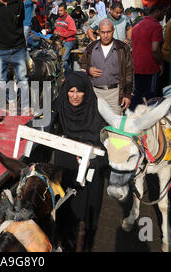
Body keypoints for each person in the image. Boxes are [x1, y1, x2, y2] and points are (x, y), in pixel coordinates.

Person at [48, 71, 108, 251]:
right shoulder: (61, 106)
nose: (75, 96)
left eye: (79, 91)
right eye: (71, 91)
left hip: (89, 171)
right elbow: (47, 126)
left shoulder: (97, 113)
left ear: (86, 92)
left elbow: (107, 150)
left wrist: (92, 161)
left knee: (83, 215)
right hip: (65, 166)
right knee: (63, 210)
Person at [79, 19, 133, 115]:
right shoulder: (91, 47)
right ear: (98, 32)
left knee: (115, 125)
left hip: (115, 94)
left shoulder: (122, 48)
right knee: (95, 123)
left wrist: (128, 94)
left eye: (108, 32)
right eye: (103, 32)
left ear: (113, 31)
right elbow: (82, 64)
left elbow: (129, 71)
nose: (105, 35)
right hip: (95, 93)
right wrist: (88, 70)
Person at [129, 4, 168, 111]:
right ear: (157, 11)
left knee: (138, 93)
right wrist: (161, 63)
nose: (164, 15)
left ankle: (130, 114)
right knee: (150, 96)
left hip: (137, 66)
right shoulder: (156, 26)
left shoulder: (137, 26)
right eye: (163, 12)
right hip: (150, 67)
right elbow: (155, 49)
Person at [54, 3, 78, 76]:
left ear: (65, 10)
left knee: (64, 60)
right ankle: (60, 74)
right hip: (60, 41)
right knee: (55, 58)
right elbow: (57, 29)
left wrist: (61, 34)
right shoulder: (58, 19)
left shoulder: (69, 19)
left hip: (69, 41)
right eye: (59, 10)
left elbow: (74, 31)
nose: (59, 12)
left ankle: (69, 76)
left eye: (61, 10)